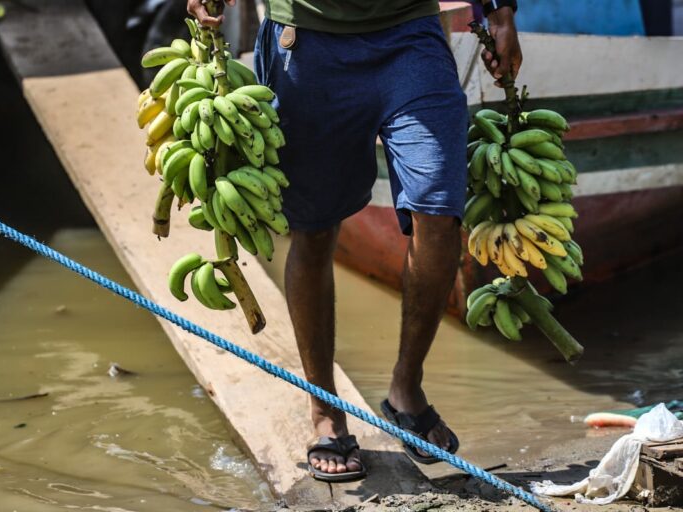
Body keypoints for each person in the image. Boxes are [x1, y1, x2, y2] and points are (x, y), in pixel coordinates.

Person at [188, 0, 522, 482]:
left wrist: (502, 13)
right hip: (307, 42)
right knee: (316, 230)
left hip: (409, 36)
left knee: (439, 215)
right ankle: (325, 410)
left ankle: (406, 389)